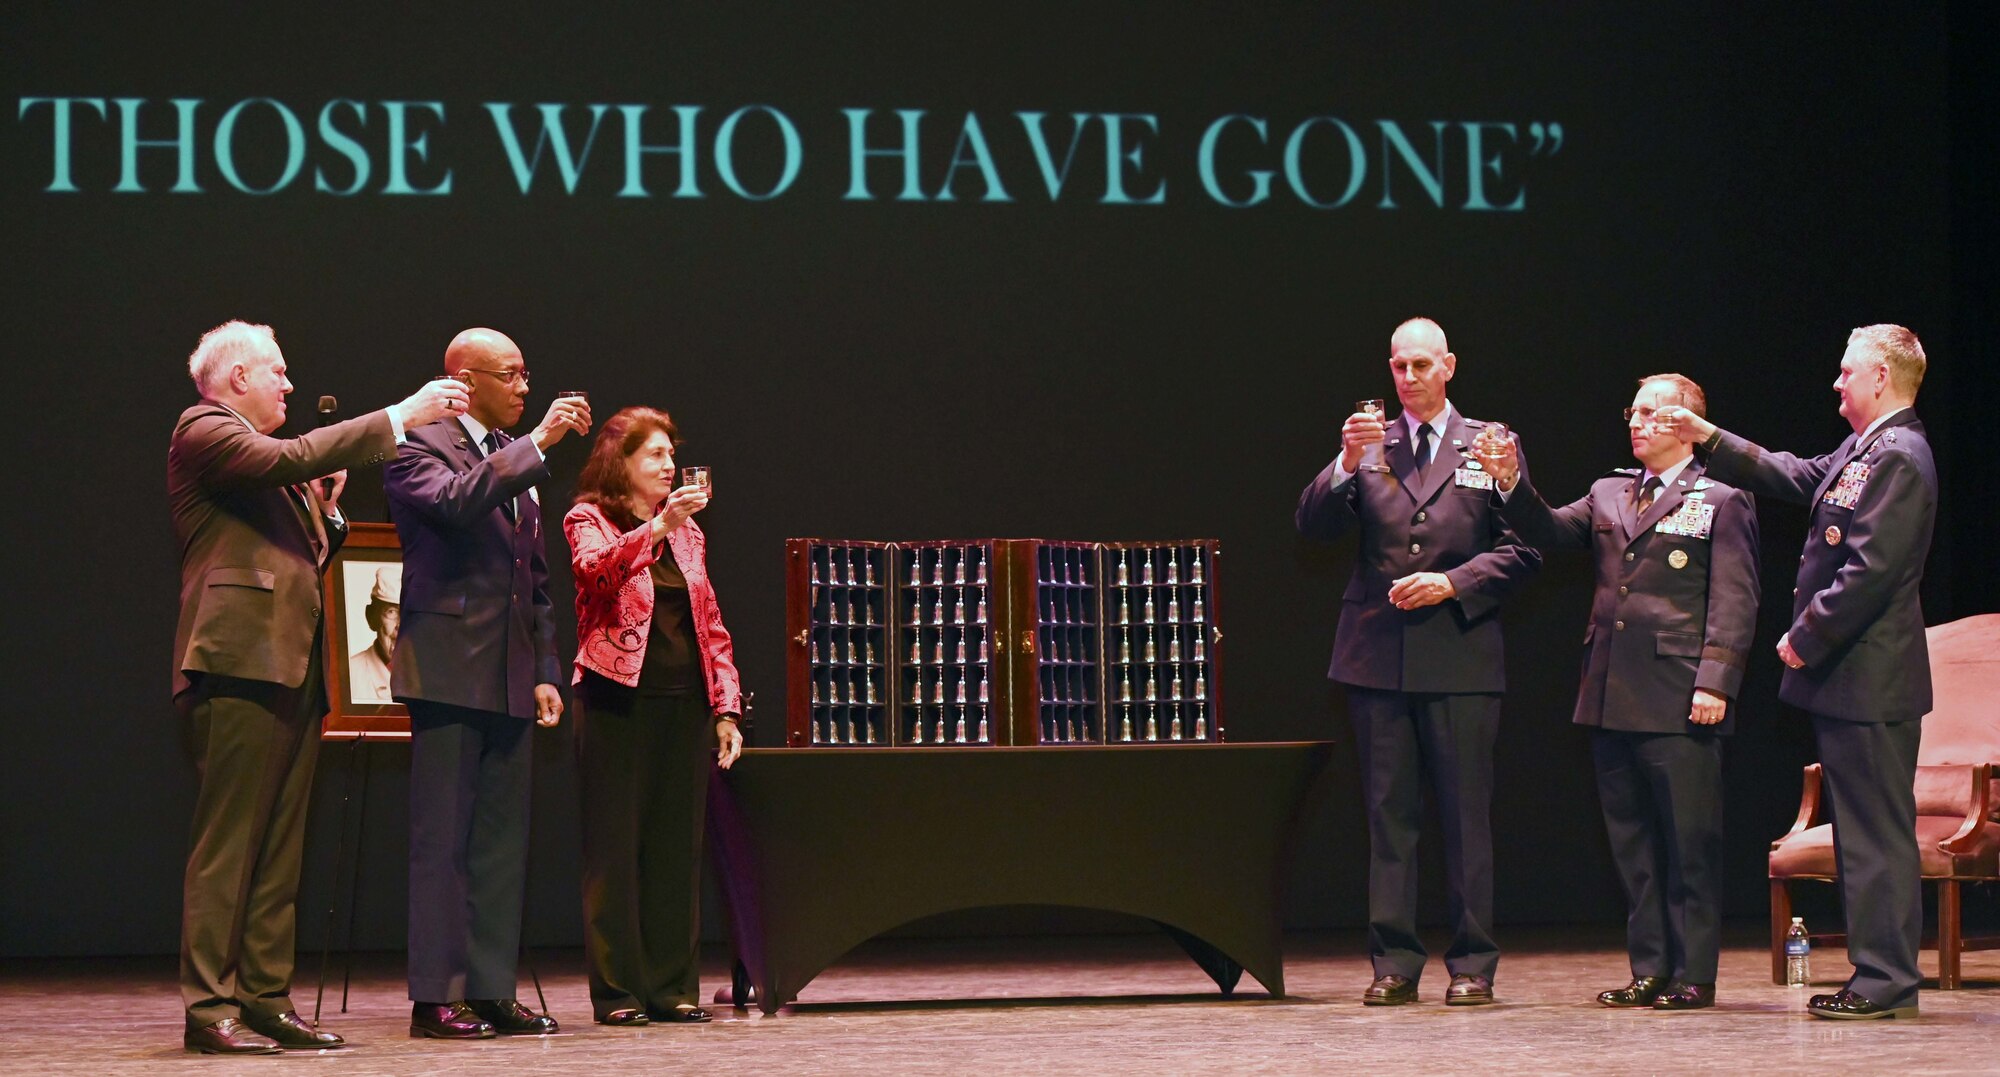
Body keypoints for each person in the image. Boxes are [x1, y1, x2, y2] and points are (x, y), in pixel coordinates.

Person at [169, 319, 466, 1053]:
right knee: (230, 843)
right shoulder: (205, 427)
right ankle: (210, 1006)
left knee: (278, 847)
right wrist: (404, 414)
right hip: (237, 659)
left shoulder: (266, 462)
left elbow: (304, 549)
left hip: (290, 662)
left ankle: (266, 997)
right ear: (239, 377)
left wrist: (329, 508)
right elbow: (289, 457)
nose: (289, 384)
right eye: (278, 371)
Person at [1657, 325, 1937, 1020]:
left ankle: (1886, 978)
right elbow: (1796, 474)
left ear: (1880, 376)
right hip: (1852, 680)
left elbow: (1871, 569)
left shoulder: (1901, 455)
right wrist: (1708, 435)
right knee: (1864, 833)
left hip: (1870, 678)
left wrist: (1804, 637)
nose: (1837, 383)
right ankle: (1878, 972)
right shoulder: (1863, 448)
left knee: (1876, 834)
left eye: (1847, 372)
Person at [1485, 374, 1759, 1011]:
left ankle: (1694, 973)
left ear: (1684, 423)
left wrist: (1716, 680)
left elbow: (1735, 599)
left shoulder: (1722, 497)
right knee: (1633, 844)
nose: (1634, 422)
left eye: (1649, 413)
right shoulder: (1610, 492)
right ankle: (1650, 968)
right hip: (1610, 690)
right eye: (1630, 411)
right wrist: (1507, 480)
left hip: (1680, 692)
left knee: (1689, 843)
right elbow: (1547, 531)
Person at [1295, 317, 1541, 1006]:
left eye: (1423, 365)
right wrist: (1343, 463)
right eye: (1399, 365)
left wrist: (1453, 582)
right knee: (1389, 817)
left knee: (1466, 818)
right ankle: (1394, 959)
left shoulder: (1490, 442)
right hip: (1378, 655)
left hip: (1460, 654)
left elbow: (1526, 545)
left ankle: (1472, 963)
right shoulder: (1370, 442)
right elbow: (1311, 524)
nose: (1409, 377)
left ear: (1450, 366)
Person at [384, 327, 592, 1039]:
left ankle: (492, 986)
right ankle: (436, 995)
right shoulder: (418, 444)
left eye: (527, 374)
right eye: (513, 374)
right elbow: (452, 503)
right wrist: (535, 443)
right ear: (467, 380)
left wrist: (544, 670)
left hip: (507, 673)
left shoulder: (513, 461)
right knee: (442, 839)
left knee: (502, 840)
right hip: (446, 667)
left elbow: (533, 581)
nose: (525, 386)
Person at [564, 407, 745, 1026]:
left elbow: (709, 623)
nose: (670, 467)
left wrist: (726, 707)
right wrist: (656, 528)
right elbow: (595, 574)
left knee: (675, 850)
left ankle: (673, 988)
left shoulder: (690, 533)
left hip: (682, 702)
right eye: (656, 457)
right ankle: (617, 994)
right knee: (614, 850)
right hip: (616, 699)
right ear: (624, 462)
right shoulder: (589, 519)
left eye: (672, 456)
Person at [347, 567, 400, 702]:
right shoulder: (349, 677)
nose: (401, 625)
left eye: (411, 614)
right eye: (391, 612)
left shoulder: (436, 677)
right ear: (371, 617)